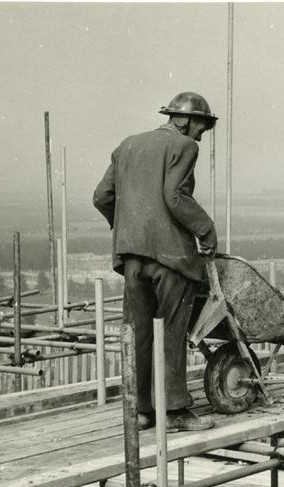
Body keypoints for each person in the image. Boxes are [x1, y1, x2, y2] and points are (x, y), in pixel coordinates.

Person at [93, 91, 218, 432]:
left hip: (132, 257)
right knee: (173, 331)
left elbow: (101, 197)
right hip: (170, 258)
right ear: (184, 120)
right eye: (201, 127)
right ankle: (175, 411)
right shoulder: (184, 146)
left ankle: (141, 411)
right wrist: (206, 231)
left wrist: (129, 228)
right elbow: (175, 197)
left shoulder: (128, 145)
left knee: (140, 332)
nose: (201, 135)